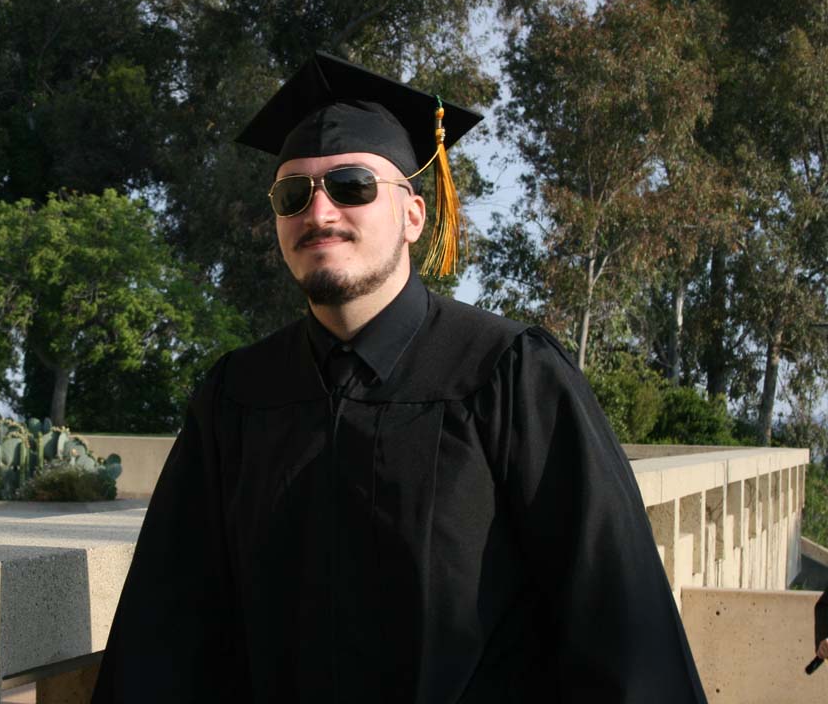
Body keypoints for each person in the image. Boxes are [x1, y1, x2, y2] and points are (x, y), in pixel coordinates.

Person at [92, 52, 707, 702]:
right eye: (292, 194)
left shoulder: (507, 374)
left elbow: (619, 627)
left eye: (352, 185)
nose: (319, 212)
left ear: (414, 215)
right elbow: (166, 630)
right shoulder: (237, 397)